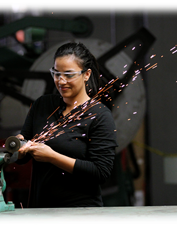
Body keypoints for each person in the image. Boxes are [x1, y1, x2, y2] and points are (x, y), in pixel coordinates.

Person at [12, 42, 119, 207]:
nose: (61, 81)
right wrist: (19, 146)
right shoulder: (42, 105)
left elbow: (100, 172)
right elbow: (22, 155)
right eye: (56, 73)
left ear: (86, 74)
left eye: (69, 74)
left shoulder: (100, 115)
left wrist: (53, 157)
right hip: (40, 210)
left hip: (80, 214)